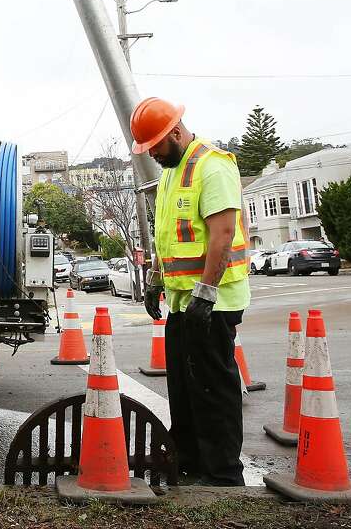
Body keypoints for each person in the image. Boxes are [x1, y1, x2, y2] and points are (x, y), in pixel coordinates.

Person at [131, 97, 249, 486]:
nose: (154, 156)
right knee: (183, 387)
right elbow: (169, 237)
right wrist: (155, 281)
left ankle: (223, 472)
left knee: (212, 387)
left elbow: (223, 235)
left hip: (213, 301)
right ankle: (190, 460)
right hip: (183, 301)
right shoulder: (172, 171)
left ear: (175, 133)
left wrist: (206, 292)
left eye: (156, 147)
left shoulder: (212, 166)